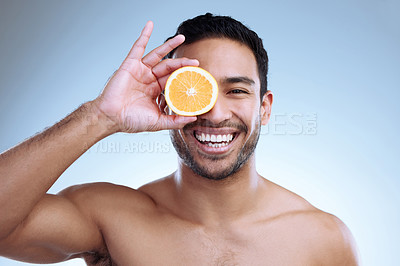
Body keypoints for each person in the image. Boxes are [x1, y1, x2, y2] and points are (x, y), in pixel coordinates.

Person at [0, 13, 359, 265]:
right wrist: (100, 116)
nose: (216, 115)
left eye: (236, 90)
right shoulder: (111, 220)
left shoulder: (324, 239)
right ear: (166, 98)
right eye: (197, 91)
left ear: (264, 108)